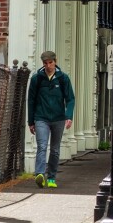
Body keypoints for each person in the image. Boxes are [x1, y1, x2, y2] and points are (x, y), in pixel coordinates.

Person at [27, 51, 74, 189]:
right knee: (42, 146)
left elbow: (70, 99)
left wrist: (69, 116)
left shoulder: (63, 78)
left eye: (50, 62)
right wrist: (31, 121)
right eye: (45, 63)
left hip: (59, 118)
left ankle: (52, 177)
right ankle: (40, 174)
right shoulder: (37, 79)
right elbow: (31, 100)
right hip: (41, 118)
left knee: (55, 149)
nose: (48, 66)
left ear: (55, 61)